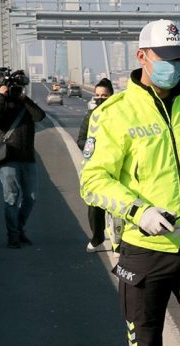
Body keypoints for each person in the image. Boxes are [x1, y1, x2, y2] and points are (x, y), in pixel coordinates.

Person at [79, 19, 180, 346]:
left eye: (178, 58)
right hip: (145, 249)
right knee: (145, 342)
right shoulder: (114, 114)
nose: (173, 66)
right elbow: (93, 180)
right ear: (142, 57)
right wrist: (139, 211)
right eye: (165, 57)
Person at [0, 68, 45, 249]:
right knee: (12, 198)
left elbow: (39, 116)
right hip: (8, 158)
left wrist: (23, 98)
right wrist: (1, 96)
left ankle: (19, 229)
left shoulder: (23, 103)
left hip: (28, 158)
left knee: (31, 198)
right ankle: (13, 236)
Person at [77, 78, 114, 252]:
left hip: (118, 167)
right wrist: (94, 148)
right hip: (98, 167)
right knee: (95, 207)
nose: (100, 99)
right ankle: (97, 236)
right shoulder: (91, 117)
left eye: (104, 96)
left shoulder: (121, 116)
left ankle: (120, 242)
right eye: (97, 95)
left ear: (112, 96)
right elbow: (81, 140)